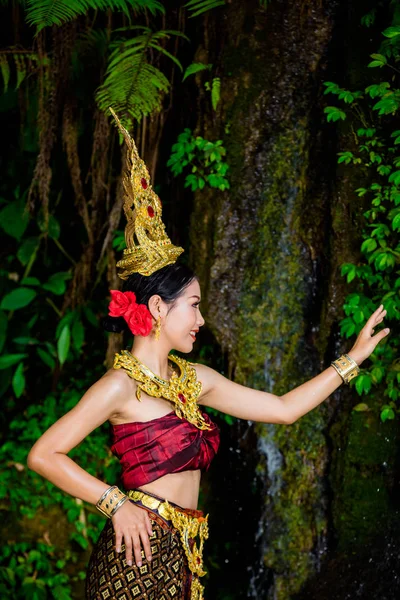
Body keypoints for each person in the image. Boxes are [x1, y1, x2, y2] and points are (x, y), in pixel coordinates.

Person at [27, 109, 390, 600]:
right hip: (135, 552)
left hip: (183, 553)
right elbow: (44, 454)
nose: (200, 320)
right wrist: (115, 503)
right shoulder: (120, 385)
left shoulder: (195, 378)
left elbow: (281, 410)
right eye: (193, 307)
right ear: (157, 307)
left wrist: (352, 359)